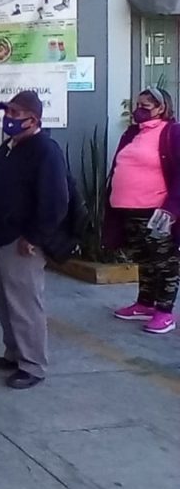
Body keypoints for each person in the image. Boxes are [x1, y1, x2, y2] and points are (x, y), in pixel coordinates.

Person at [0, 91, 68, 390]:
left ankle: (33, 365)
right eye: (7, 113)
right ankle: (14, 353)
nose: (9, 119)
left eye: (15, 114)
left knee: (25, 304)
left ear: (34, 119)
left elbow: (55, 200)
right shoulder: (9, 146)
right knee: (5, 301)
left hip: (21, 241)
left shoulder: (45, 150)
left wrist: (34, 236)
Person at [104, 87, 180, 334]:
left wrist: (171, 208)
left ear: (161, 108)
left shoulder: (172, 133)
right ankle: (145, 304)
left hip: (157, 212)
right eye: (138, 105)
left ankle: (165, 312)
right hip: (128, 209)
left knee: (164, 262)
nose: (139, 110)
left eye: (146, 106)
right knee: (144, 260)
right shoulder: (132, 133)